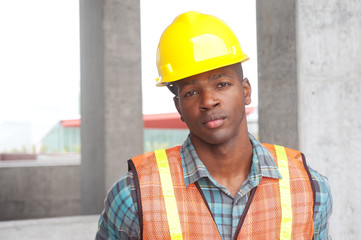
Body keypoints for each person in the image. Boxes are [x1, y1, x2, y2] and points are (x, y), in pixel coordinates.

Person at [96, 11, 332, 240]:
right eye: (191, 92)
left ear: (246, 91)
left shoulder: (309, 188)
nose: (208, 101)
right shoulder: (133, 195)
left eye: (222, 84)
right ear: (179, 107)